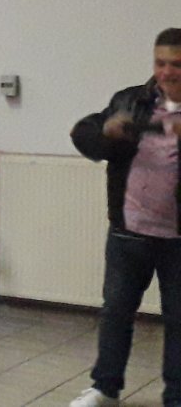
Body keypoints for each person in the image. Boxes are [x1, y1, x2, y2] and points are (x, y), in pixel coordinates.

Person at [68, 28, 181, 407]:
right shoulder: (131, 100)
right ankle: (105, 388)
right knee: (116, 313)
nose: (166, 72)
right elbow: (84, 133)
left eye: (176, 64)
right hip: (127, 231)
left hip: (178, 239)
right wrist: (106, 132)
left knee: (178, 320)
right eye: (160, 63)